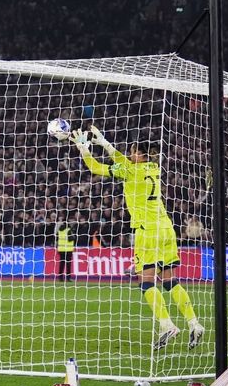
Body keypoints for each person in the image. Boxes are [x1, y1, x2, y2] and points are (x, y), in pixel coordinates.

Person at [71, 126, 204, 350]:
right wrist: (104, 143)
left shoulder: (130, 172)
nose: (130, 154)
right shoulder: (153, 167)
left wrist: (83, 148)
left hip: (147, 232)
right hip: (166, 228)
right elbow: (124, 160)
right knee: (170, 280)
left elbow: (94, 167)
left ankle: (167, 325)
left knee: (146, 281)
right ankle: (194, 323)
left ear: (139, 154)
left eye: (133, 151)